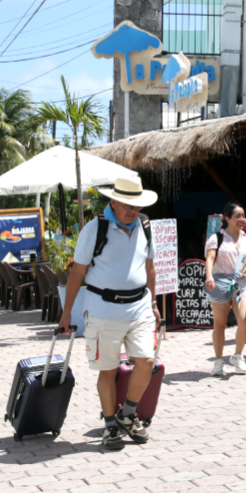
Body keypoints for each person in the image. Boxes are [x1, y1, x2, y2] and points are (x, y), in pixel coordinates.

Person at [57, 177, 159, 451]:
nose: (133, 211)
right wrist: (67, 314)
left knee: (147, 361)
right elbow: (77, 273)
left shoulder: (145, 227)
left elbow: (150, 268)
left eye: (136, 206)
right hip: (103, 309)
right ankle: (111, 425)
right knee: (108, 370)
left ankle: (128, 413)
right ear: (113, 201)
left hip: (139, 306)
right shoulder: (95, 229)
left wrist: (154, 303)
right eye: (127, 205)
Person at [204, 203, 246, 377]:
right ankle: (219, 361)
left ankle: (237, 356)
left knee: (244, 322)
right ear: (227, 218)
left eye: (243, 215)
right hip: (221, 283)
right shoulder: (217, 238)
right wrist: (209, 276)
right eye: (238, 216)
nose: (242, 219)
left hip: (242, 283)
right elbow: (210, 258)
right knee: (219, 324)